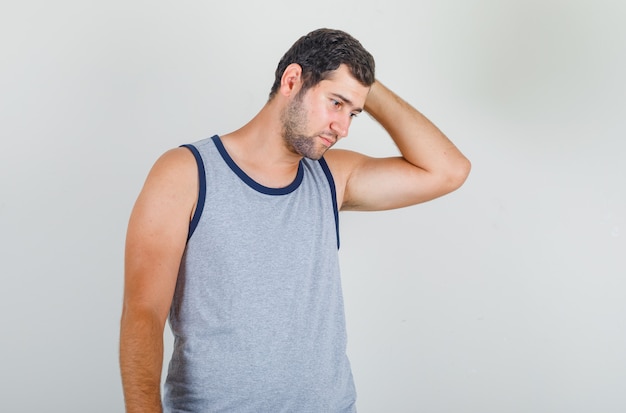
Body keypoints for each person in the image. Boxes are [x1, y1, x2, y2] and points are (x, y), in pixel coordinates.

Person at [120, 28, 470, 413]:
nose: (344, 127)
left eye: (354, 112)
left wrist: (362, 83)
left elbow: (448, 170)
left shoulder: (331, 178)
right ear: (292, 80)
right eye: (336, 103)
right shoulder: (186, 173)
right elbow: (144, 313)